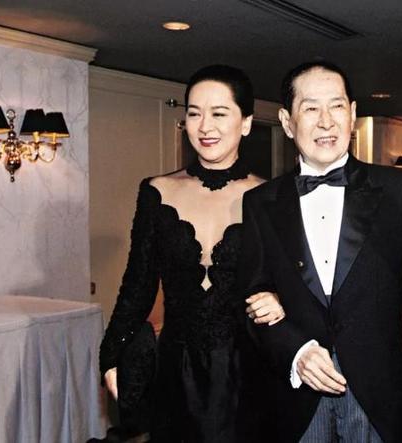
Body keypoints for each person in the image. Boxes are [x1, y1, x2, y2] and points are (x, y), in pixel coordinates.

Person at [239, 61, 402, 442]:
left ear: (353, 114)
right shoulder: (260, 202)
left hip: (376, 393)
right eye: (311, 108)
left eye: (337, 106)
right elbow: (251, 298)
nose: (326, 121)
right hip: (296, 394)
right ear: (287, 122)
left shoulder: (396, 189)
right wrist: (295, 351)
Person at [99, 64, 285, 442]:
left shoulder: (273, 198)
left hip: (249, 374)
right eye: (195, 113)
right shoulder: (156, 191)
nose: (205, 126)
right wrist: (111, 357)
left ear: (246, 123)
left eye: (219, 113)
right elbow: (137, 286)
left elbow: (291, 280)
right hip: (176, 372)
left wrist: (280, 300)